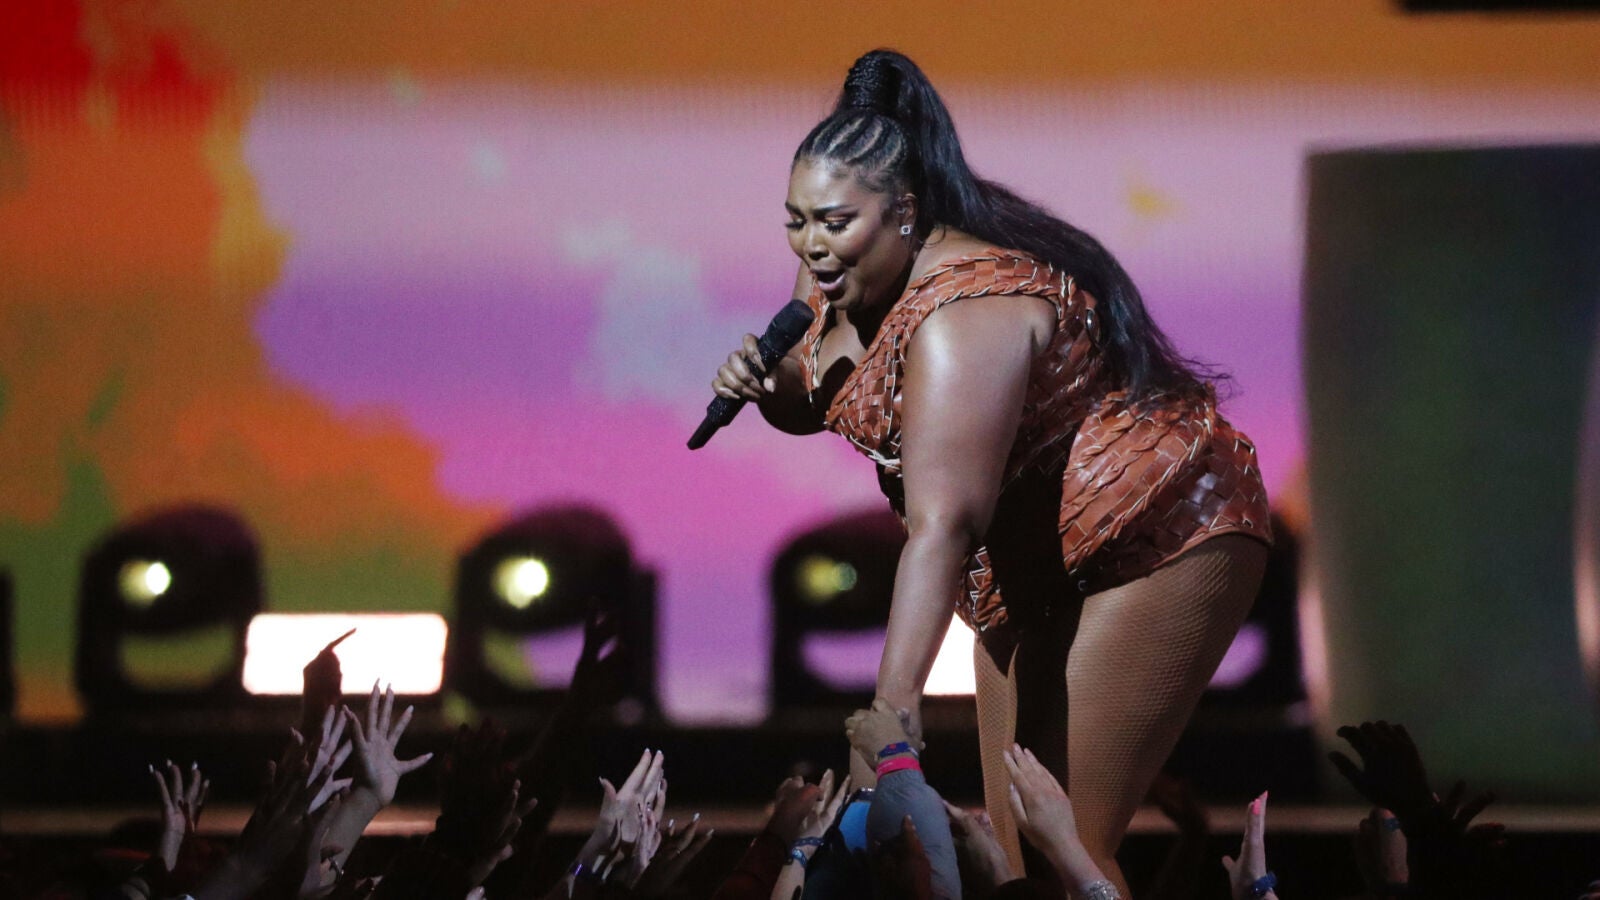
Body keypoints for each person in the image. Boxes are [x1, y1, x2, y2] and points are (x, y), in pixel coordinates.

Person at [710, 48, 1273, 895]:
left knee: (1064, 844)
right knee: (1011, 861)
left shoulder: (964, 315)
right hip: (1023, 559)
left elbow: (943, 524)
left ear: (903, 212)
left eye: (834, 223)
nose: (812, 246)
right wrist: (765, 387)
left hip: (1153, 531)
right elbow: (815, 385)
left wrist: (891, 719)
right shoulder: (838, 270)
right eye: (797, 221)